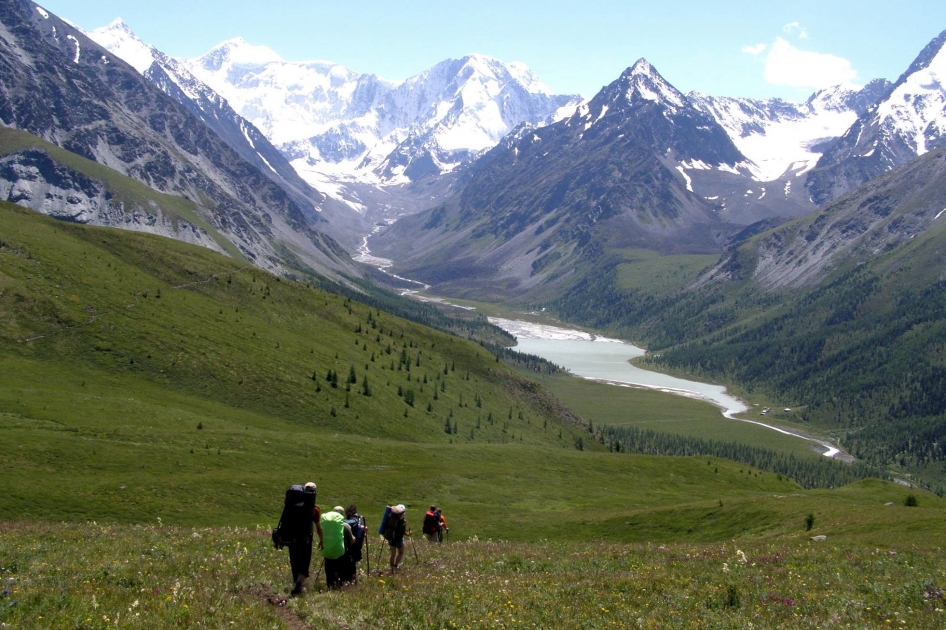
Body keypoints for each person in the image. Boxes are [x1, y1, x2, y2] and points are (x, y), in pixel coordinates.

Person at [284, 482, 323, 596]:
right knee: (304, 562)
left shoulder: (291, 505)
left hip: (292, 537)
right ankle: (299, 585)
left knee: (294, 560)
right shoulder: (314, 509)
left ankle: (296, 583)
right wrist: (322, 540)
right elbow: (318, 527)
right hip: (306, 538)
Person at [321, 506, 354, 589]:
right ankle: (339, 585)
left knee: (329, 569)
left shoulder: (325, 525)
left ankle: (330, 585)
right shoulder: (345, 526)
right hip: (339, 551)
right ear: (342, 514)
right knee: (340, 569)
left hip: (327, 550)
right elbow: (352, 540)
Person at [344, 504, 367, 582]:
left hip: (344, 545)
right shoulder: (357, 521)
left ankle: (344, 579)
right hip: (354, 547)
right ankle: (352, 580)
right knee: (352, 564)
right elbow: (360, 534)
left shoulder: (344, 520)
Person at [384, 504, 408, 573]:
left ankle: (391, 567)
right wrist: (408, 534)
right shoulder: (403, 520)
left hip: (391, 537)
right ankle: (395, 566)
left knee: (393, 554)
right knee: (401, 552)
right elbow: (403, 532)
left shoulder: (390, 517)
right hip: (398, 538)